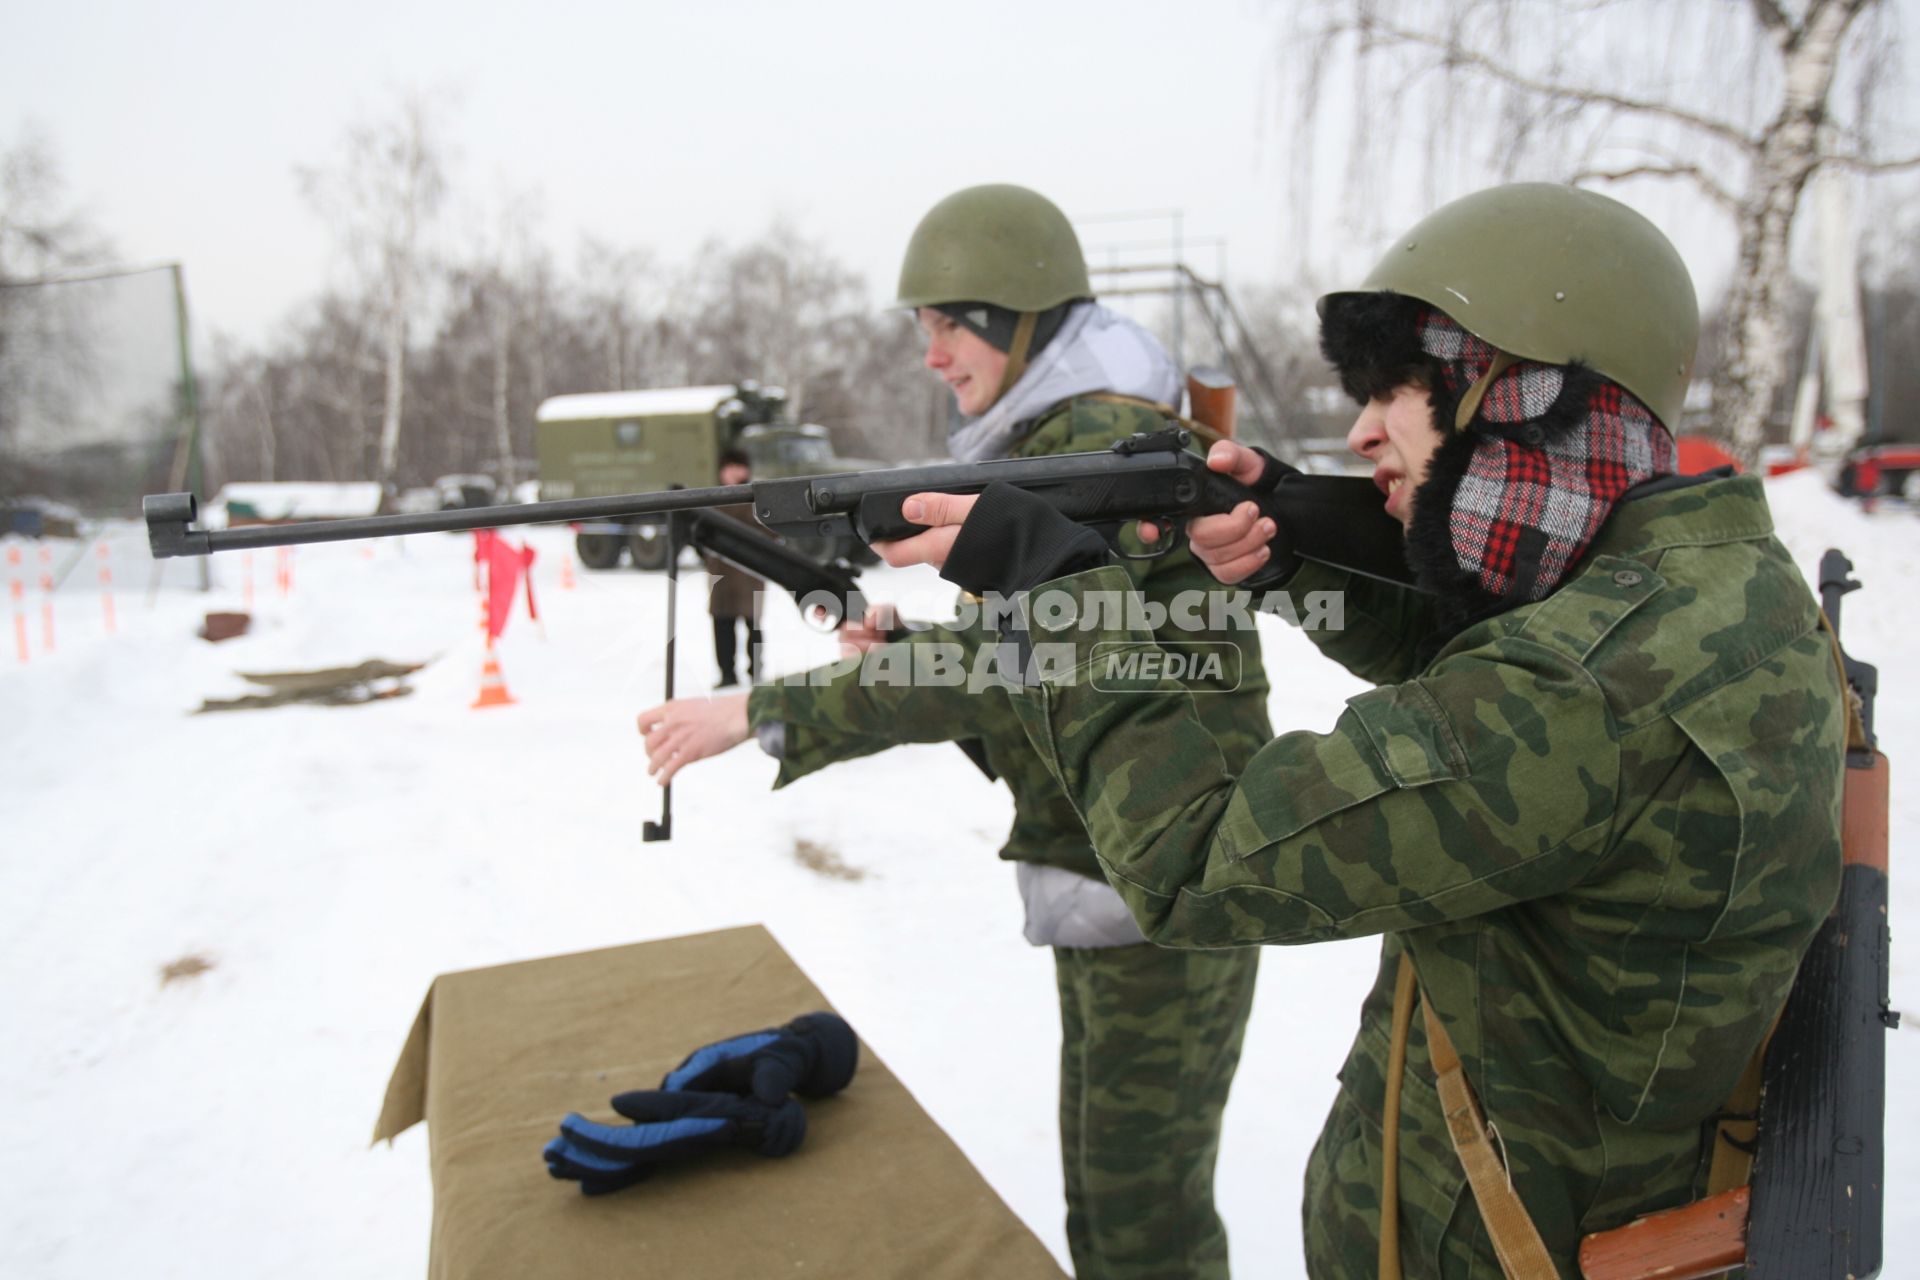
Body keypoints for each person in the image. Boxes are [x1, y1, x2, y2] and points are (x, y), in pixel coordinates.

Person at [876, 183, 1846, 1277]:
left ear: (1524, 401)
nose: (1360, 427)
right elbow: (1493, 666)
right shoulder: (1708, 586)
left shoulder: (1588, 688)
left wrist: (1063, 591)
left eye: (1397, 390)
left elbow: (1198, 862)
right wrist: (1298, 540)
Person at [638, 184, 1271, 1280]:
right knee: (1118, 1204)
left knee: (1140, 1223)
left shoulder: (1092, 444)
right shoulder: (1071, 439)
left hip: (1169, 870)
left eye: (946, 323)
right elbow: (1051, 669)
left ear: (1017, 316)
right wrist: (906, 654)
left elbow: (1008, 665)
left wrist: (758, 708)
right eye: (923, 328)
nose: (931, 354)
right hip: (1126, 864)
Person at [707, 448, 763, 688]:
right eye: (728, 467)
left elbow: (767, 532)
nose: (732, 473)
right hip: (720, 574)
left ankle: (756, 672)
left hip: (750, 573)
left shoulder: (755, 499)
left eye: (737, 467)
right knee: (722, 626)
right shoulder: (710, 498)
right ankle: (727, 673)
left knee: (754, 626)